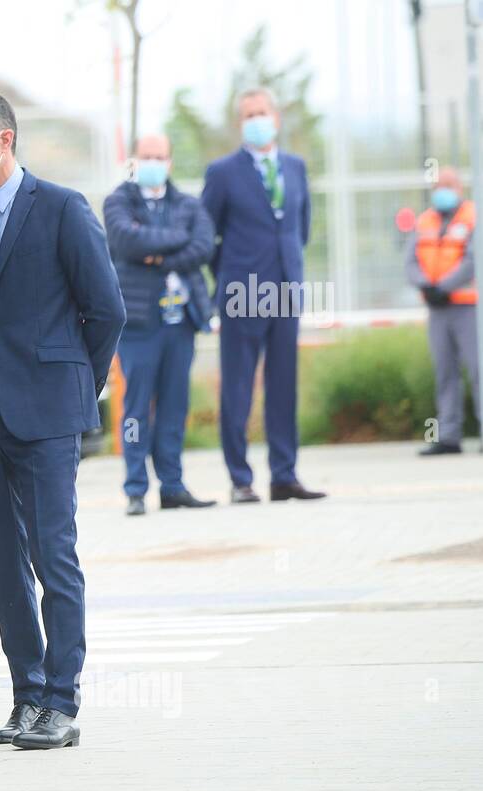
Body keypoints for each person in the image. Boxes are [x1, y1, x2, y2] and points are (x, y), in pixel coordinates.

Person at [0, 89, 126, 751]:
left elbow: (106, 313)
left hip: (46, 412)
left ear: (4, 138)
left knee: (53, 555)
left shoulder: (64, 209)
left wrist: (75, 386)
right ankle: (26, 693)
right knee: (3, 561)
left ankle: (60, 702)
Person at [202, 88, 325, 503]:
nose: (256, 120)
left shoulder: (295, 166)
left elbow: (300, 227)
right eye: (248, 114)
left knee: (283, 385)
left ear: (276, 117)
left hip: (285, 288)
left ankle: (284, 475)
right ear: (241, 123)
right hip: (241, 292)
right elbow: (207, 234)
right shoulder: (223, 173)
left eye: (262, 112)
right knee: (238, 386)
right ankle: (240, 479)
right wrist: (230, 275)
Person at [104, 133, 217, 516]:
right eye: (146, 156)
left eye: (160, 157)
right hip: (138, 324)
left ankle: (173, 485)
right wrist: (173, 243)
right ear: (135, 160)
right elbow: (126, 242)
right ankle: (136, 487)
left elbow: (203, 245)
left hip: (179, 323)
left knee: (173, 407)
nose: (154, 163)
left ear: (170, 162)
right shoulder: (119, 201)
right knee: (135, 408)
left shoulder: (187, 203)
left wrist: (157, 256)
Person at [406, 167, 481, 455]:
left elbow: (474, 260)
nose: (442, 190)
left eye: (448, 185)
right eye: (438, 185)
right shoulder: (425, 220)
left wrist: (446, 286)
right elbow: (410, 261)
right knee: (444, 372)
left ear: (459, 188)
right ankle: (447, 436)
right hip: (437, 307)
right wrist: (427, 286)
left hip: (468, 305)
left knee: (478, 369)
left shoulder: (474, 217)